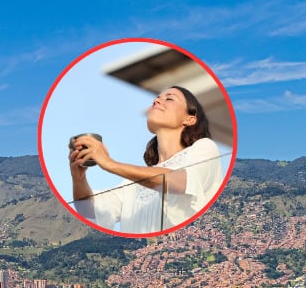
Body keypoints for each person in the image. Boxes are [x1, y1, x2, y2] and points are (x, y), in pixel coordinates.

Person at [69, 85, 223, 234]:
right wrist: (78, 177)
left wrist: (109, 163)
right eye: (156, 98)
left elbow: (181, 181)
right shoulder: (132, 182)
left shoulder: (204, 148)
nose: (156, 101)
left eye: (169, 99)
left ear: (190, 119)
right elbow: (88, 209)